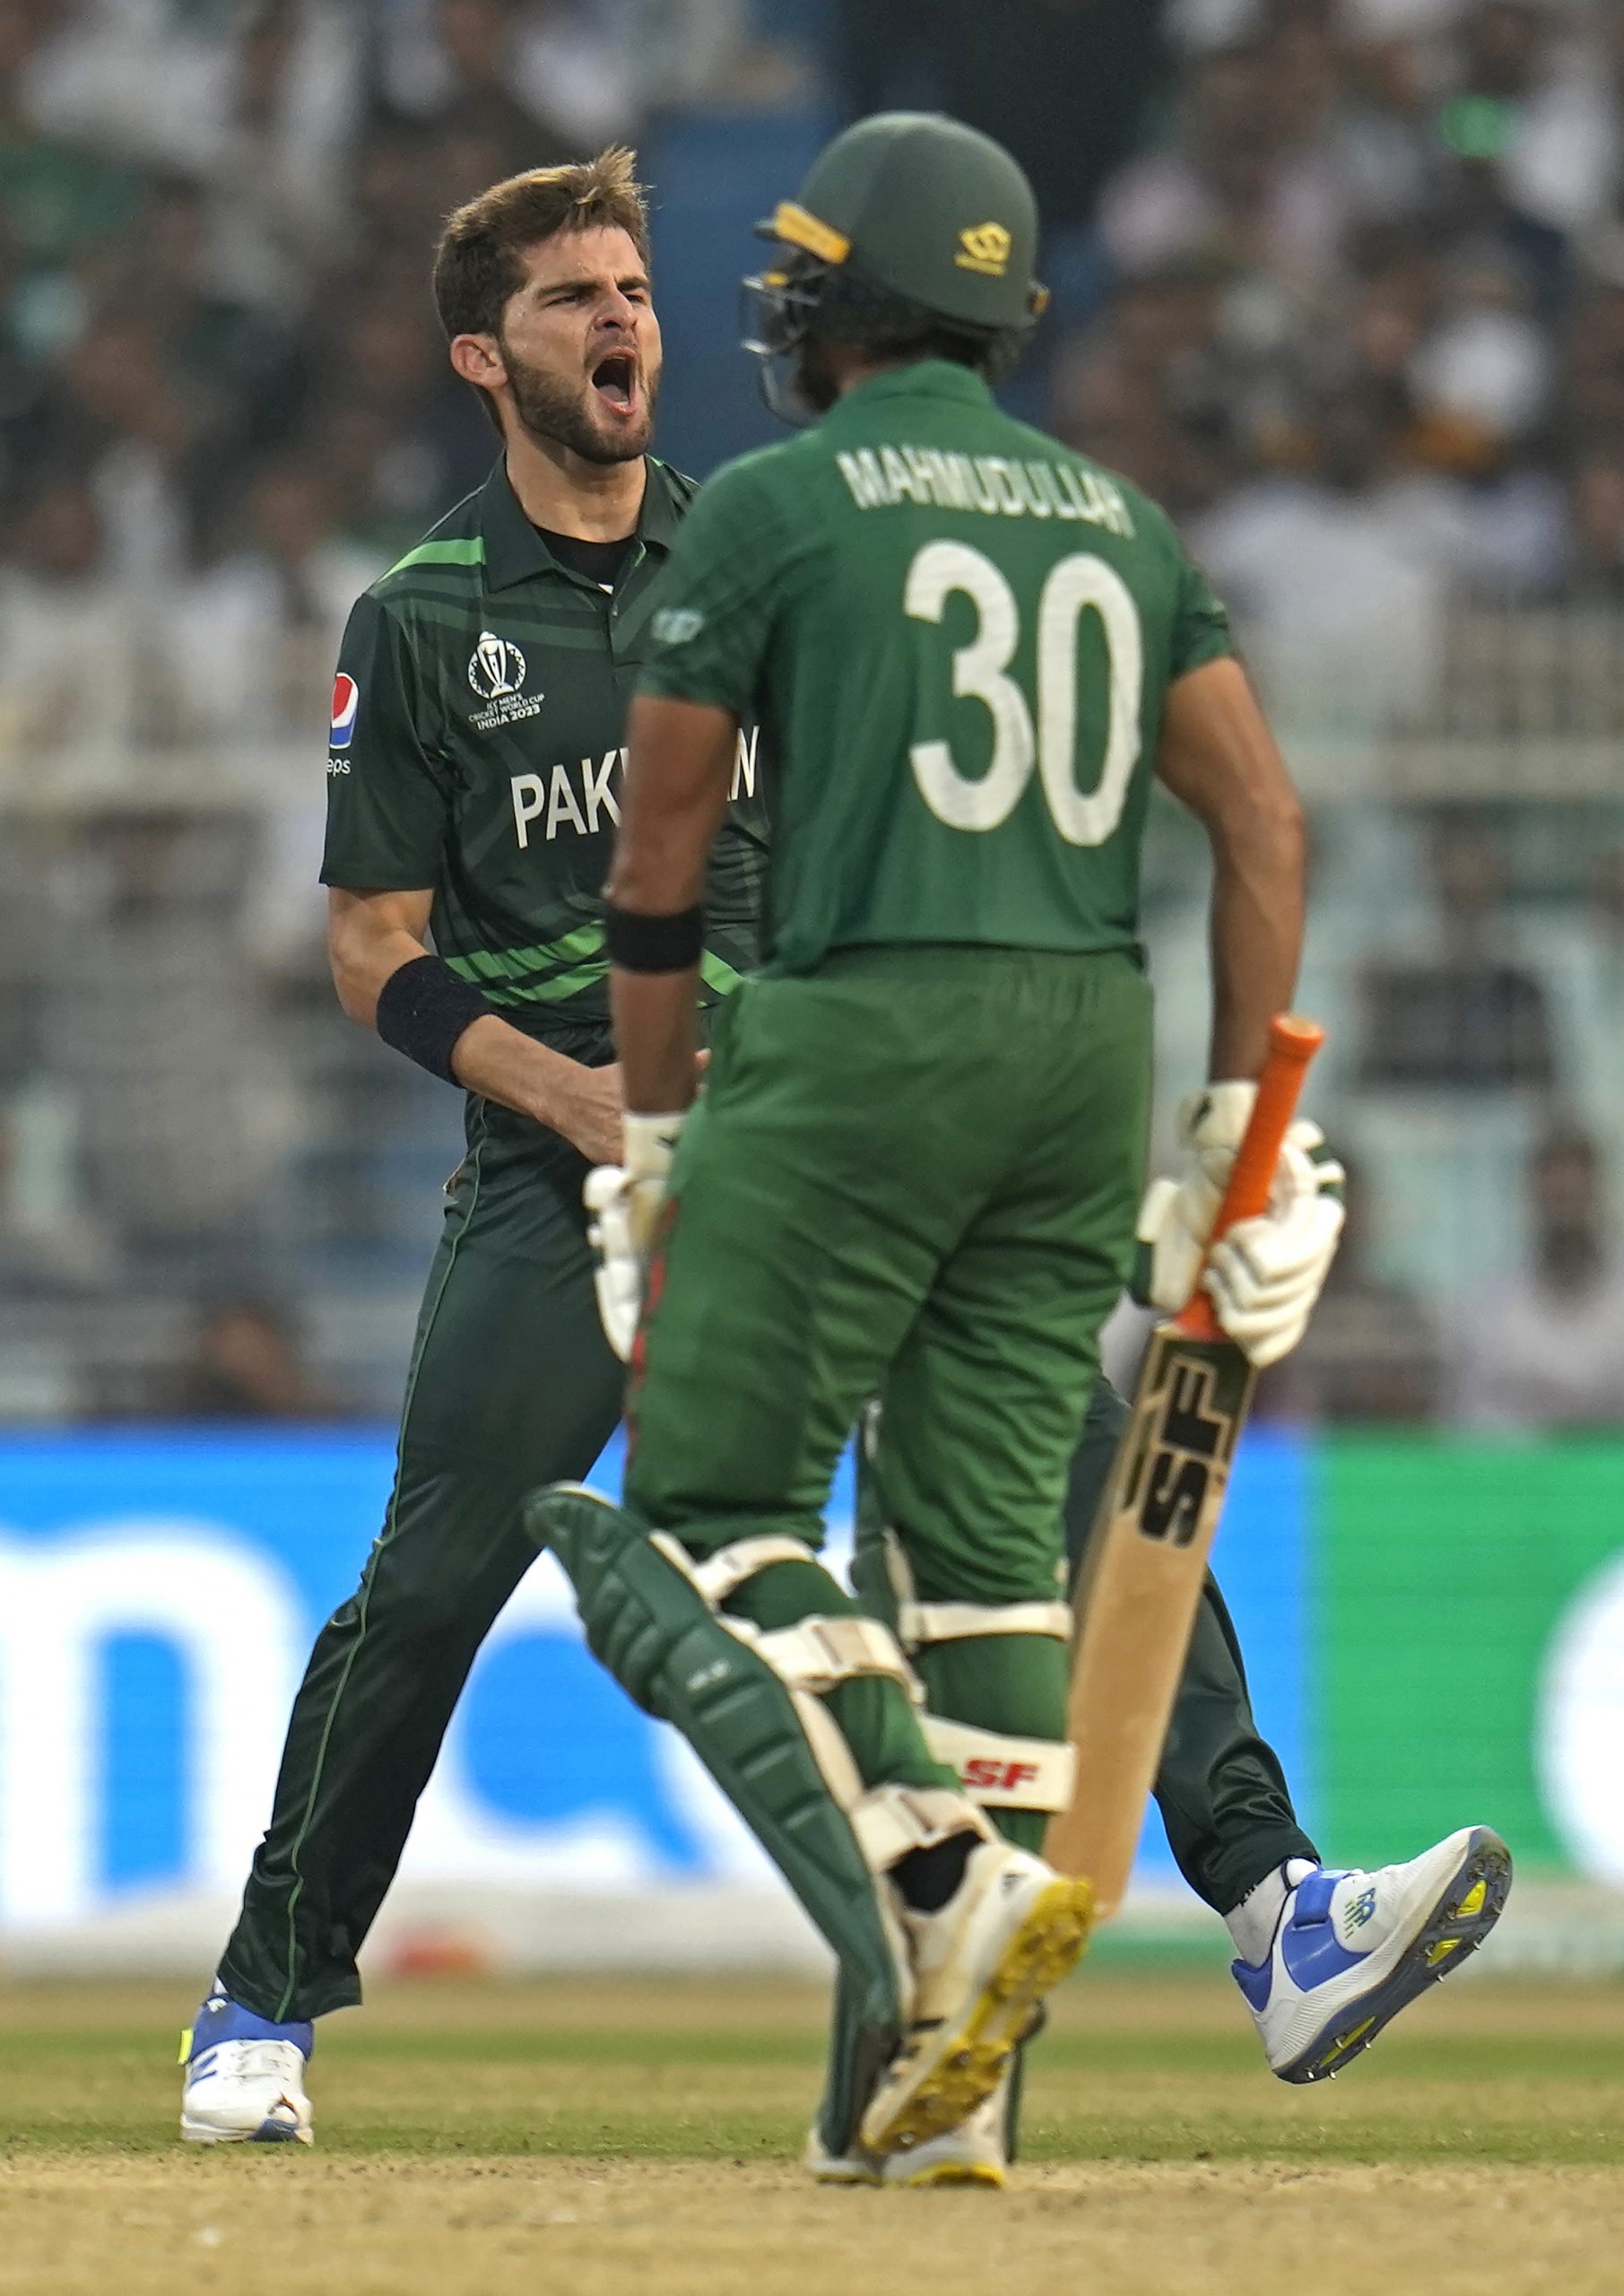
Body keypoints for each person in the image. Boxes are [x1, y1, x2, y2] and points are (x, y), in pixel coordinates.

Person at [178, 135, 1502, 2170]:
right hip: (568, 1164)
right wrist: (575, 1099)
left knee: (1069, 1476)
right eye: (571, 297)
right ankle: (266, 1993)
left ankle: (1276, 1908)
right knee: (437, 1575)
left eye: (633, 285)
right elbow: (375, 949)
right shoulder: (426, 613)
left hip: (809, 1121)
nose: (623, 317)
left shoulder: (768, 539)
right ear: (481, 355)